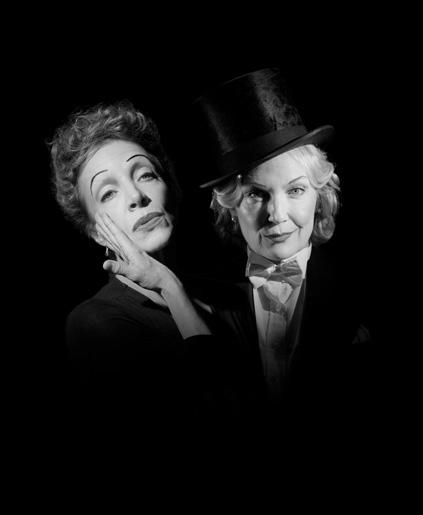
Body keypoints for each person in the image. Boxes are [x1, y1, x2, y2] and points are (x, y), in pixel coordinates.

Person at [189, 68, 376, 428]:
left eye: (295, 190)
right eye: (256, 194)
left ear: (320, 197)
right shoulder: (202, 300)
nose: (277, 214)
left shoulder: (361, 291)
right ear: (230, 208)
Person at [48, 100, 235, 438]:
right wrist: (170, 289)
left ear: (172, 186)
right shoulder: (96, 321)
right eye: (108, 193)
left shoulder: (232, 295)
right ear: (94, 231)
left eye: (145, 174)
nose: (136, 196)